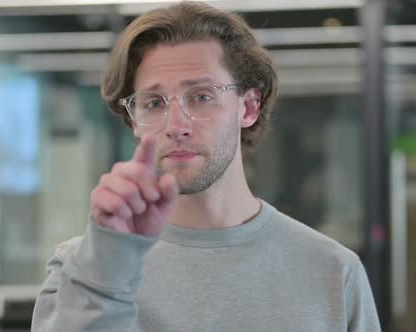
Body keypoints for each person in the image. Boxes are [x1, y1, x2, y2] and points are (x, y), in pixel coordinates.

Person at [31, 2, 381, 331]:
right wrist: (107, 272)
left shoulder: (334, 273)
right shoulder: (81, 270)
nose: (176, 124)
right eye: (153, 103)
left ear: (248, 108)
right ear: (133, 121)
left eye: (201, 96)